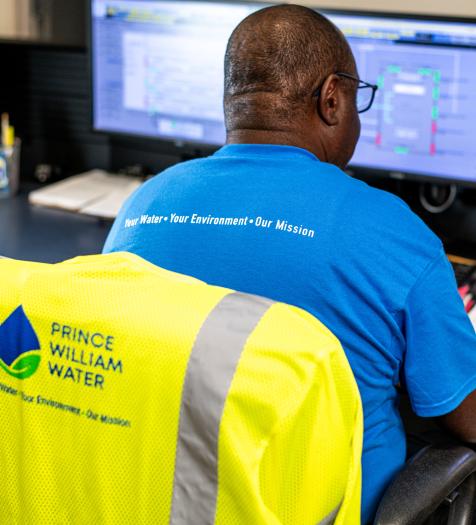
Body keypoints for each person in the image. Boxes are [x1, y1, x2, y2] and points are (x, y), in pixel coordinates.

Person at [103, 5, 476, 523]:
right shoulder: (394, 234)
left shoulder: (141, 206)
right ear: (331, 100)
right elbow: (467, 416)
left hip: (171, 501)